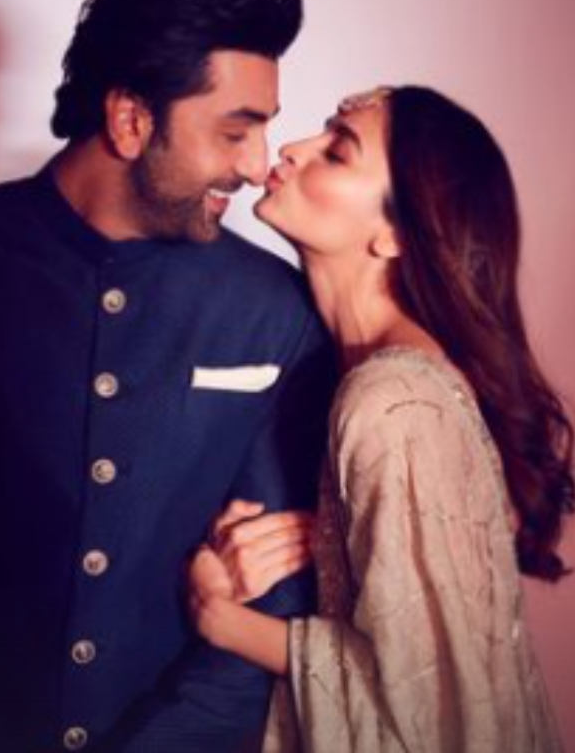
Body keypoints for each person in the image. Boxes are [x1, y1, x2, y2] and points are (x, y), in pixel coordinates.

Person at [0, 0, 335, 753]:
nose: (257, 166)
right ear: (131, 119)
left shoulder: (277, 312)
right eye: (234, 131)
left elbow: (275, 604)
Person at [188, 85, 574, 752]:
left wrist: (218, 616)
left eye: (337, 152)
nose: (293, 148)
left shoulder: (391, 400)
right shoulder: (370, 373)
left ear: (395, 233)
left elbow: (427, 708)